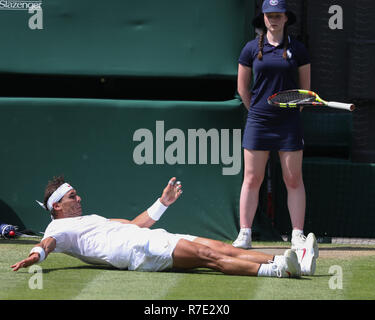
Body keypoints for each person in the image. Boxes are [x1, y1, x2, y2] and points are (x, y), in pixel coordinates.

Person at [11, 175, 316, 278]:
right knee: (209, 259)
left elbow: (133, 224)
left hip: (147, 237)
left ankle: (293, 263)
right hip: (138, 252)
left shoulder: (88, 220)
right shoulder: (57, 229)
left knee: (220, 247)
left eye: (77, 194)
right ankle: (278, 270)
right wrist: (37, 256)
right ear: (57, 207)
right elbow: (47, 244)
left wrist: (163, 202)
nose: (80, 198)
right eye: (73, 196)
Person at [233, 0, 316, 261]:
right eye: (269, 15)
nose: (273, 19)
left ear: (286, 18)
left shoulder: (298, 50)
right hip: (259, 121)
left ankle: (297, 234)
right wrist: (257, 110)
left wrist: (289, 112)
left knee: (293, 179)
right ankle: (245, 234)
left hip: (289, 123)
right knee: (251, 178)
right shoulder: (249, 50)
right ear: (264, 18)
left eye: (278, 15)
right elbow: (243, 88)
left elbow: (304, 90)